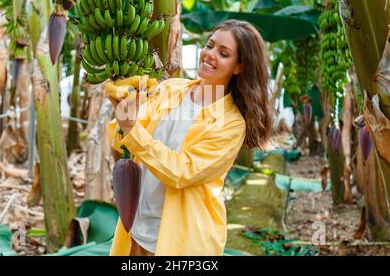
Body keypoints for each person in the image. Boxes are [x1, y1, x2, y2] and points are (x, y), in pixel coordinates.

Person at [106, 19, 274, 256]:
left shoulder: (231, 124)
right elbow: (123, 140)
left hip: (182, 241)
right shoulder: (171, 89)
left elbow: (181, 172)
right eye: (210, 45)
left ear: (239, 67)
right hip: (135, 229)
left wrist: (131, 129)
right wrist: (122, 109)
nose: (210, 54)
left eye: (223, 53)